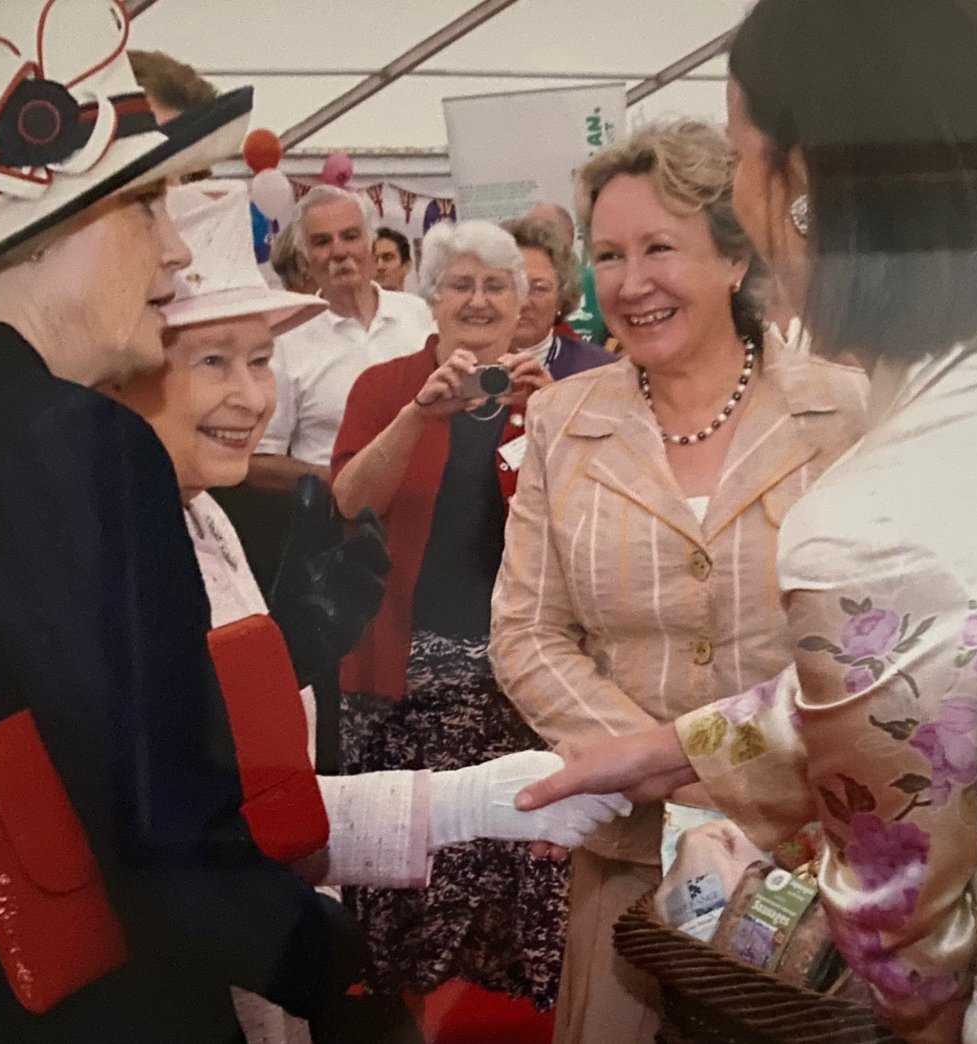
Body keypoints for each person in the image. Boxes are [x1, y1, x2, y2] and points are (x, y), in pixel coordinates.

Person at [517, 2, 977, 1042]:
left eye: (740, 156)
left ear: (807, 186)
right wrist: (695, 745)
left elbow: (901, 943)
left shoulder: (874, 515)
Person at [111, 180, 630, 1044]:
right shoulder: (125, 542)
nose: (253, 397)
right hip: (214, 967)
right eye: (212, 360)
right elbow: (191, 822)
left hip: (511, 682)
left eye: (260, 360)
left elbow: (259, 797)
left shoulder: (202, 519)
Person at [0, 5, 344, 1040]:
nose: (177, 250)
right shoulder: (75, 443)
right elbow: (163, 825)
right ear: (36, 228)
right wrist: (342, 971)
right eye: (147, 204)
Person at [490, 120, 868, 1043]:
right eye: (609, 255)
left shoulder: (844, 411)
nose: (629, 282)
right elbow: (527, 634)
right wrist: (674, 771)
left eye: (661, 247)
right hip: (631, 868)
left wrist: (721, 768)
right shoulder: (562, 422)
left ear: (734, 260)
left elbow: (887, 645)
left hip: (821, 858)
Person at [329, 219, 613, 1009]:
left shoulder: (564, 395)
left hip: (528, 680)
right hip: (404, 677)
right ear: (433, 298)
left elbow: (605, 525)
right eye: (461, 283)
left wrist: (554, 417)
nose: (479, 299)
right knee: (417, 888)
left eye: (497, 285)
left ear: (525, 302)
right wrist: (420, 413)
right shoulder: (387, 386)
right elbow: (348, 504)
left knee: (528, 890)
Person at [251, 185, 436, 495]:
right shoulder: (286, 341)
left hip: (427, 514)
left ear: (371, 248)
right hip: (337, 523)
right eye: (322, 242)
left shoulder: (417, 314)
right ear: (305, 262)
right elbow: (259, 460)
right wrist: (346, 480)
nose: (339, 252)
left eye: (350, 236)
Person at [501, 215, 616, 376]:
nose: (524, 303)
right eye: (511, 287)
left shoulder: (601, 369)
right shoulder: (465, 367)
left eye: (538, 288)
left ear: (562, 297)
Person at [526, 200, 609, 345]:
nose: (538, 238)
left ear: (570, 233)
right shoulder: (513, 287)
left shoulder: (599, 281)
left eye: (546, 229)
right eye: (530, 230)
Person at [373, 226, 414, 292]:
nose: (379, 267)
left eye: (387, 258)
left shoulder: (417, 302)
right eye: (373, 260)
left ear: (407, 266)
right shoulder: (352, 302)